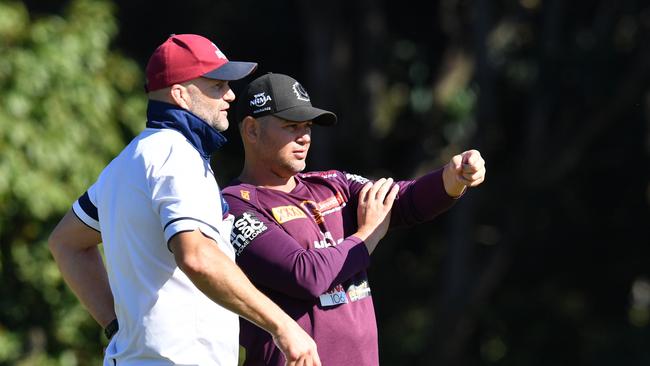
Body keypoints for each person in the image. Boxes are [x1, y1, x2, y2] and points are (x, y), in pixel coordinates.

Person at [48, 35, 321, 366]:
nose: (231, 95)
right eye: (217, 85)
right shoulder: (176, 156)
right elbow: (197, 256)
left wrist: (118, 327)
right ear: (180, 94)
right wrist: (283, 327)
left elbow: (66, 243)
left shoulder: (129, 159)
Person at [222, 72, 487, 365]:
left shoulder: (332, 183)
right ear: (251, 130)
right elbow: (305, 275)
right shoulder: (234, 205)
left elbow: (403, 201)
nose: (305, 136)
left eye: (308, 126)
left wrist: (453, 177)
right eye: (291, 126)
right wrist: (368, 234)